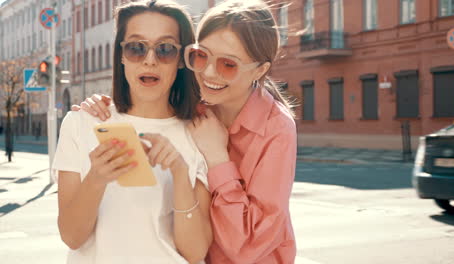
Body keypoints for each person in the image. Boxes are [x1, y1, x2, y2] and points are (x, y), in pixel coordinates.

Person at [74, 0, 297, 263]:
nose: (208, 73)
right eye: (201, 56)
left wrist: (217, 159)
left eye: (228, 64)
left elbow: (248, 246)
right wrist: (107, 107)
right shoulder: (194, 106)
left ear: (259, 70)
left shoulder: (276, 128)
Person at [53, 1, 212, 263]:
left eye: (165, 49)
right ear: (121, 55)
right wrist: (96, 178)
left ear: (182, 60)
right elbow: (71, 237)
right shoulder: (80, 123)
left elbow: (195, 253)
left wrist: (181, 174)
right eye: (136, 48)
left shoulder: (199, 132)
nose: (150, 60)